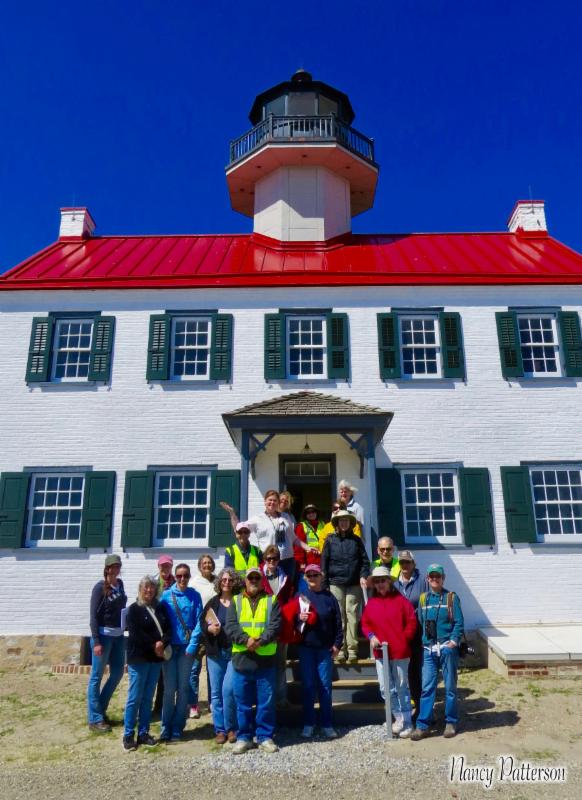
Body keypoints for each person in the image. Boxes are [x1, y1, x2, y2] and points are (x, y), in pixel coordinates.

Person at [225, 566, 282, 754]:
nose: (254, 581)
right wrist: (246, 640)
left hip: (265, 660)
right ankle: (244, 737)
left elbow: (275, 626)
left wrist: (260, 641)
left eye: (257, 578)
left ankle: (265, 737)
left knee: (266, 702)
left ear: (261, 580)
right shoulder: (235, 601)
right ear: (246, 581)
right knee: (242, 703)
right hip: (242, 660)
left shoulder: (271, 600)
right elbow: (231, 626)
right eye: (251, 578)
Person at [361, 566, 417, 739]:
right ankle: (398, 719)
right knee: (386, 688)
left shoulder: (401, 601)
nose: (380, 584)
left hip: (399, 652)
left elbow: (412, 621)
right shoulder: (372, 603)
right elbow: (365, 624)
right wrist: (371, 636)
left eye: (382, 580)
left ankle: (408, 722)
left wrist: (403, 638)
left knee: (401, 687)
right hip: (381, 653)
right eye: (376, 581)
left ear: (389, 582)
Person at [411, 564, 464, 741]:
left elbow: (458, 622)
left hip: (447, 650)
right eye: (432, 576)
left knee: (450, 687)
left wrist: (453, 642)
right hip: (429, 650)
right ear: (427, 578)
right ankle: (423, 725)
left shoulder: (451, 598)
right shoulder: (423, 599)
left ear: (443, 578)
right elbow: (420, 621)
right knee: (427, 688)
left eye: (438, 576)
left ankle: (451, 722)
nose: (435, 579)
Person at [289, 564, 343, 738]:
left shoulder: (329, 597)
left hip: (324, 650)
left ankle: (327, 723)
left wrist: (337, 644)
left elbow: (338, 623)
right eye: (309, 575)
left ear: (321, 576)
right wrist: (298, 618)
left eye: (315, 575)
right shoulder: (300, 597)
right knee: (308, 686)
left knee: (325, 687)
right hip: (306, 648)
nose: (312, 577)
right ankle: (308, 723)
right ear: (305, 578)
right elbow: (289, 621)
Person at [123, 576, 172, 751]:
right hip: (139, 658)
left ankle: (143, 732)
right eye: (146, 588)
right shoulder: (134, 609)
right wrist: (155, 645)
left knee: (147, 698)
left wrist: (163, 643)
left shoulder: (160, 608)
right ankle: (128, 734)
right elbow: (136, 634)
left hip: (155, 660)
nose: (149, 591)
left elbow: (168, 629)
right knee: (134, 697)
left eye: (152, 588)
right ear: (140, 589)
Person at [194, 567, 242, 744]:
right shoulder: (213, 603)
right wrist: (209, 628)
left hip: (234, 652)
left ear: (235, 582)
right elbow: (202, 622)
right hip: (215, 652)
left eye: (230, 580)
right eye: (224, 580)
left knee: (229, 690)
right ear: (219, 583)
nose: (227, 583)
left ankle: (232, 728)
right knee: (215, 693)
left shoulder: (239, 601)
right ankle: (220, 730)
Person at [222, 490, 310, 580]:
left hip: (288, 561)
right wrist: (232, 513)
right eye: (270, 500)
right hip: (270, 561)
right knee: (270, 590)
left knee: (288, 590)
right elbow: (238, 528)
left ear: (278, 503)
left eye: (275, 500)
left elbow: (294, 538)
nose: (272, 502)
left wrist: (308, 548)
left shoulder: (286, 517)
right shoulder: (258, 519)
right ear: (265, 501)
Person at [159, 563, 203, 742]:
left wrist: (193, 644)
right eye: (179, 576)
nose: (182, 579)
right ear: (175, 577)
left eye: (185, 576)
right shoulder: (166, 596)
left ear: (189, 576)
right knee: (169, 690)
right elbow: (160, 620)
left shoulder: (194, 596)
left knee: (183, 689)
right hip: (170, 649)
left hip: (186, 648)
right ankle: (165, 727)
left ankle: (178, 726)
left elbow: (200, 620)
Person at [320, 509, 370, 662]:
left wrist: (363, 576)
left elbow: (365, 562)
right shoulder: (330, 540)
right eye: (341, 520)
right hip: (335, 583)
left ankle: (353, 649)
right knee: (339, 616)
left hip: (354, 583)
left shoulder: (356, 540)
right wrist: (325, 582)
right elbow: (324, 563)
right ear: (337, 523)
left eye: (346, 521)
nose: (343, 523)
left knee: (353, 616)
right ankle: (340, 648)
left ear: (350, 523)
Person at [87, 553, 127, 732]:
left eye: (118, 566)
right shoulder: (99, 588)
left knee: (117, 672)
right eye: (113, 566)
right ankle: (94, 719)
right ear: (107, 568)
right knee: (96, 676)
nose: (116, 569)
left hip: (118, 636)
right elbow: (93, 617)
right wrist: (96, 641)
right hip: (103, 636)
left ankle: (101, 709)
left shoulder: (120, 585)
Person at [391, 550, 429, 716]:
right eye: (402, 563)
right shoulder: (394, 584)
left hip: (419, 634)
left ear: (414, 564)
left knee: (421, 673)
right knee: (406, 674)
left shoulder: (422, 581)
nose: (404, 566)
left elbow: (428, 603)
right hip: (401, 635)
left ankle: (425, 711)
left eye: (407, 562)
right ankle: (409, 710)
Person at [260, 544, 294, 704]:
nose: (272, 561)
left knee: (280, 663)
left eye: (275, 558)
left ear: (279, 560)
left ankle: (282, 697)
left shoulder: (285, 578)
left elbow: (289, 600)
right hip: (263, 627)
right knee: (265, 664)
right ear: (264, 559)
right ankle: (267, 698)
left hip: (281, 626)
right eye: (269, 558)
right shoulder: (257, 576)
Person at [188, 554, 217, 719]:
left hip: (214, 631)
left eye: (209, 562)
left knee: (213, 669)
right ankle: (193, 705)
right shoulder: (194, 583)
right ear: (199, 566)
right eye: (204, 563)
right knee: (194, 669)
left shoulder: (218, 581)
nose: (207, 565)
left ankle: (213, 702)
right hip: (199, 631)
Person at [294, 503, 326, 588]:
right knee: (307, 587)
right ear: (305, 515)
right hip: (308, 561)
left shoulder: (323, 524)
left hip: (321, 560)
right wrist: (301, 562)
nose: (311, 514)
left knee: (321, 586)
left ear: (317, 513)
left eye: (313, 511)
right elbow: (298, 547)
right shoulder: (301, 526)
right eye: (308, 512)